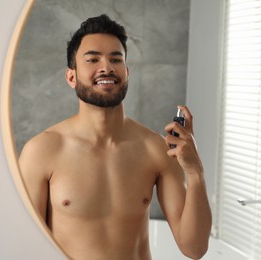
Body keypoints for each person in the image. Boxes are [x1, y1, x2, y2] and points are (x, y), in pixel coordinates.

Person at [19, 14, 212, 260]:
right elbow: (26, 247)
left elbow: (194, 248)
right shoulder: (42, 151)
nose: (106, 67)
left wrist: (196, 172)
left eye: (115, 59)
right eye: (92, 59)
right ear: (71, 76)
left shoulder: (154, 148)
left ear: (126, 72)